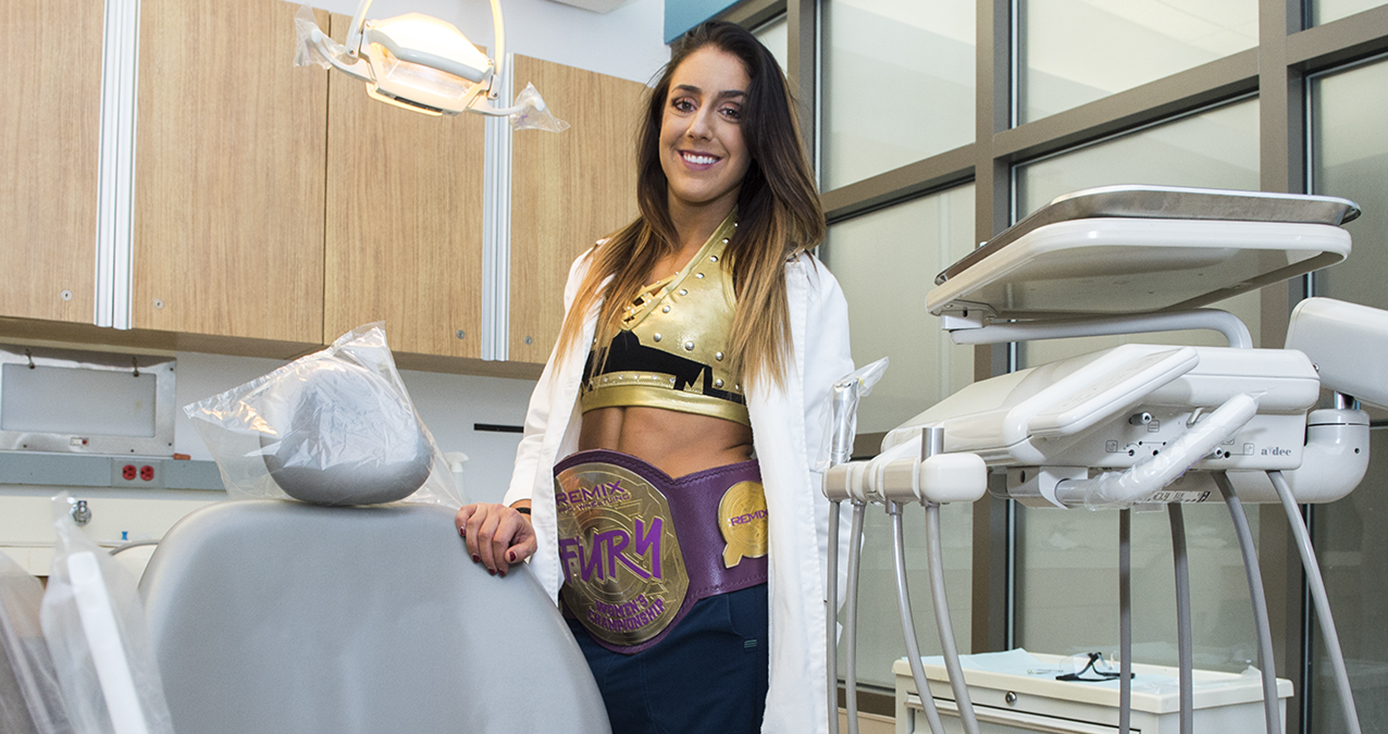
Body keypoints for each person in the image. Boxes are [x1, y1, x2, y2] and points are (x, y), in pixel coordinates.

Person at [455, 20, 853, 734]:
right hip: (585, 608)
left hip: (715, 612)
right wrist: (519, 508)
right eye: (684, 102)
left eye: (731, 111)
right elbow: (552, 423)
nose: (701, 127)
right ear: (660, 119)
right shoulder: (599, 267)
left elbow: (816, 478)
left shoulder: (792, 285)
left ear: (759, 138)